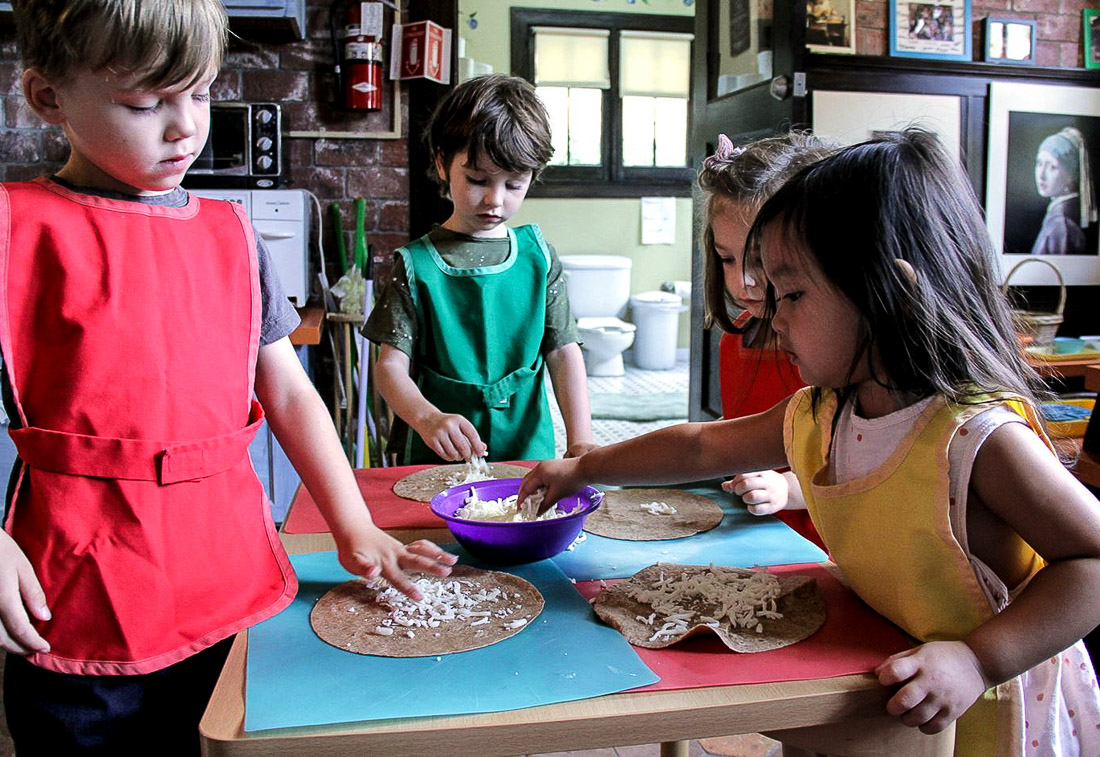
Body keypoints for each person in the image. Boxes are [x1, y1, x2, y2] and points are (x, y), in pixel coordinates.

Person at [520, 129, 1100, 755]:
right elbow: (700, 448)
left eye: (792, 294)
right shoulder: (821, 413)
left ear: (890, 295)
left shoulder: (976, 439)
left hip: (991, 701)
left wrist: (979, 659)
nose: (772, 315)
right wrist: (584, 468)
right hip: (888, 680)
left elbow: (1091, 563)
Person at [0, 1, 456, 753]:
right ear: (48, 96)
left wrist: (352, 523)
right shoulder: (17, 229)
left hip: (225, 576)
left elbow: (289, 391)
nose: (185, 127)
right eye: (145, 103)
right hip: (81, 586)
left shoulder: (232, 236)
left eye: (202, 94)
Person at [364, 74, 593, 465]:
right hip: (438, 452)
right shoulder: (415, 265)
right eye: (477, 180)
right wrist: (427, 418)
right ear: (442, 163)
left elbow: (563, 353)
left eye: (514, 185)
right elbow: (389, 368)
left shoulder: (539, 258)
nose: (494, 199)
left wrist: (582, 439)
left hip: (526, 444)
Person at [699, 132, 832, 544]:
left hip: (821, 543)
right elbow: (744, 425)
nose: (744, 281)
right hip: (757, 534)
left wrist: (788, 488)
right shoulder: (735, 340)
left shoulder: (834, 352)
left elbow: (857, 464)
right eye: (727, 258)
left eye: (759, 259)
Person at [1031, 126, 1097, 256]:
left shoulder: (1062, 225)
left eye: (1052, 167)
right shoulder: (1058, 219)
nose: (1041, 175)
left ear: (1071, 175)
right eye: (1039, 163)